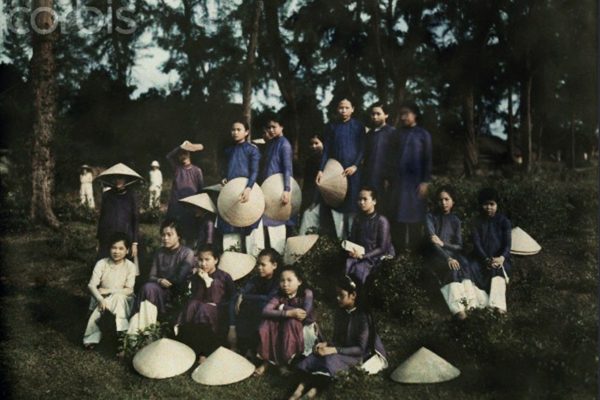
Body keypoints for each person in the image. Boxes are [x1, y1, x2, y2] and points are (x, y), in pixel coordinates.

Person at [289, 275, 387, 400]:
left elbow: (361, 349)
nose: (337, 298)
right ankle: (298, 390)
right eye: (337, 294)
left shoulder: (363, 317)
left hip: (357, 355)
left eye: (341, 295)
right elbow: (339, 339)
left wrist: (334, 349)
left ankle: (311, 393)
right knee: (315, 357)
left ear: (353, 295)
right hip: (342, 348)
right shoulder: (340, 312)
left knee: (329, 361)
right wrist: (327, 344)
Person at [424, 186, 487, 319]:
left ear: (453, 202)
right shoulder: (430, 217)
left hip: (453, 254)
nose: (443, 203)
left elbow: (458, 246)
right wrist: (447, 257)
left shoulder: (455, 220)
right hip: (436, 254)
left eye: (447, 199)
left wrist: (444, 244)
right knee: (452, 269)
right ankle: (458, 309)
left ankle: (471, 305)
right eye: (440, 200)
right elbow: (433, 243)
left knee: (464, 265)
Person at [127, 220, 195, 334]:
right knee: (148, 287)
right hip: (159, 289)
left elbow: (179, 278)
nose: (165, 238)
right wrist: (159, 280)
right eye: (163, 235)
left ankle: (142, 333)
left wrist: (162, 281)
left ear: (178, 236)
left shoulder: (187, 253)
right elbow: (151, 276)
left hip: (177, 292)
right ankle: (140, 332)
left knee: (149, 289)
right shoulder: (159, 252)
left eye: (169, 235)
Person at [176, 245, 236, 363]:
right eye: (200, 260)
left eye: (207, 260)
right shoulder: (196, 276)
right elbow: (196, 298)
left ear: (216, 260)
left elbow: (228, 298)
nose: (203, 264)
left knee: (204, 307)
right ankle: (189, 347)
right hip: (200, 311)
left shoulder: (224, 277)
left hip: (218, 312)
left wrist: (209, 283)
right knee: (193, 305)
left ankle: (204, 352)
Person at [316, 98, 366, 240]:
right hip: (335, 174)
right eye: (341, 108)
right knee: (337, 205)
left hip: (353, 174)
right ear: (337, 109)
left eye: (347, 107)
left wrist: (355, 165)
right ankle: (339, 241)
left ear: (353, 109)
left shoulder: (358, 126)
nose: (343, 111)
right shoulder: (331, 126)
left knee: (352, 207)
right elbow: (326, 150)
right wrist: (321, 170)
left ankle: (352, 241)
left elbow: (362, 149)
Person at [256, 266, 316, 376]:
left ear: (299, 281)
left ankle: (283, 363)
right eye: (282, 280)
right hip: (285, 323)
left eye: (289, 280)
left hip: (303, 327)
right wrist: (288, 313)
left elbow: (303, 314)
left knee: (289, 323)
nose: (285, 284)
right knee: (268, 323)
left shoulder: (306, 294)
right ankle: (267, 361)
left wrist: (283, 308)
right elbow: (265, 311)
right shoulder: (279, 295)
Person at [388, 102, 432, 251]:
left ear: (415, 115)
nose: (403, 117)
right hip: (399, 183)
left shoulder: (423, 134)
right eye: (401, 114)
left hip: (416, 183)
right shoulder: (397, 134)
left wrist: (425, 182)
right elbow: (391, 158)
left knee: (415, 218)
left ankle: (415, 255)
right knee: (398, 217)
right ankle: (399, 253)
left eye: (406, 113)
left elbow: (428, 159)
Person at [83, 232, 137, 349]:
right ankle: (98, 336)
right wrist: (100, 298)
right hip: (104, 299)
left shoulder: (130, 266)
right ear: (109, 249)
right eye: (114, 248)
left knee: (118, 297)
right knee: (105, 302)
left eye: (121, 248)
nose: (116, 252)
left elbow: (129, 289)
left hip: (124, 300)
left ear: (127, 250)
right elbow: (91, 285)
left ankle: (121, 335)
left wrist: (108, 291)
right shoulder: (102, 263)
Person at [218, 120, 263, 256]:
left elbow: (255, 171)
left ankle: (253, 260)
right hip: (231, 193)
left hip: (248, 191)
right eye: (233, 129)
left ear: (246, 132)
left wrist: (248, 188)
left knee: (251, 228)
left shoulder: (252, 149)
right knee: (230, 226)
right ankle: (233, 262)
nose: (235, 132)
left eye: (239, 129)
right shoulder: (229, 150)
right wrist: (224, 178)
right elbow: (226, 170)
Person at [231, 248, 280, 358]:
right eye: (258, 264)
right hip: (254, 310)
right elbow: (242, 292)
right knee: (241, 306)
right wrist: (242, 296)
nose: (259, 268)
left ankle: (254, 349)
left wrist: (245, 297)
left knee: (258, 307)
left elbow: (268, 298)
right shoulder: (255, 279)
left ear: (274, 265)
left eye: (263, 265)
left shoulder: (278, 281)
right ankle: (244, 346)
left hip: (271, 311)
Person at [469, 188, 512, 314]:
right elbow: (477, 245)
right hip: (481, 258)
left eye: (492, 204)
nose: (488, 207)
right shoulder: (476, 222)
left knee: (497, 269)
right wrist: (486, 259)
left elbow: (507, 245)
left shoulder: (504, 222)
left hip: (500, 258)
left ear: (497, 205)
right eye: (485, 204)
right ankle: (482, 304)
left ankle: (497, 306)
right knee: (470, 269)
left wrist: (501, 258)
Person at [345, 187, 395, 284]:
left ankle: (360, 296)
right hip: (359, 254)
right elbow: (353, 240)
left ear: (374, 201)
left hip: (377, 256)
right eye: (359, 199)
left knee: (361, 270)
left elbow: (382, 248)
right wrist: (351, 251)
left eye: (365, 199)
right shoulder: (358, 219)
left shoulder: (382, 221)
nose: (361, 202)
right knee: (347, 264)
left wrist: (363, 256)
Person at [260, 118, 294, 253]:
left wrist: (286, 189)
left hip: (278, 189)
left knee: (277, 226)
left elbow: (287, 169)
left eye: (274, 127)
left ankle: (278, 258)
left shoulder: (284, 144)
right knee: (266, 226)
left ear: (282, 127)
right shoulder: (271, 143)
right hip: (268, 188)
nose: (271, 130)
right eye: (269, 127)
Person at [166, 140, 204, 245]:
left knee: (190, 234)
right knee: (176, 232)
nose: (182, 156)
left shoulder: (197, 171)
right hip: (177, 205)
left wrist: (199, 208)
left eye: (185, 153)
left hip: (190, 205)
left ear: (189, 154)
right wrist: (181, 147)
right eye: (180, 154)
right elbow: (169, 157)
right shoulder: (177, 169)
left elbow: (201, 189)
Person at [96, 172, 140, 261]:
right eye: (115, 178)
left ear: (126, 180)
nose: (118, 181)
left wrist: (134, 242)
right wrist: (99, 239)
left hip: (126, 233)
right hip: (108, 234)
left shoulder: (131, 195)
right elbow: (102, 218)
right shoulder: (107, 195)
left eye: (120, 178)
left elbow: (135, 218)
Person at [363, 103, 396, 206]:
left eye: (378, 114)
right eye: (373, 114)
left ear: (386, 115)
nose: (375, 117)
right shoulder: (369, 134)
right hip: (369, 177)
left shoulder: (393, 133)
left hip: (386, 179)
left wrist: (389, 177)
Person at [299, 135, 325, 235]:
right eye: (311, 144)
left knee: (309, 216)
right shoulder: (310, 160)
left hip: (320, 197)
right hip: (309, 195)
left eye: (316, 143)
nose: (313, 146)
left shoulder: (325, 161)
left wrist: (315, 200)